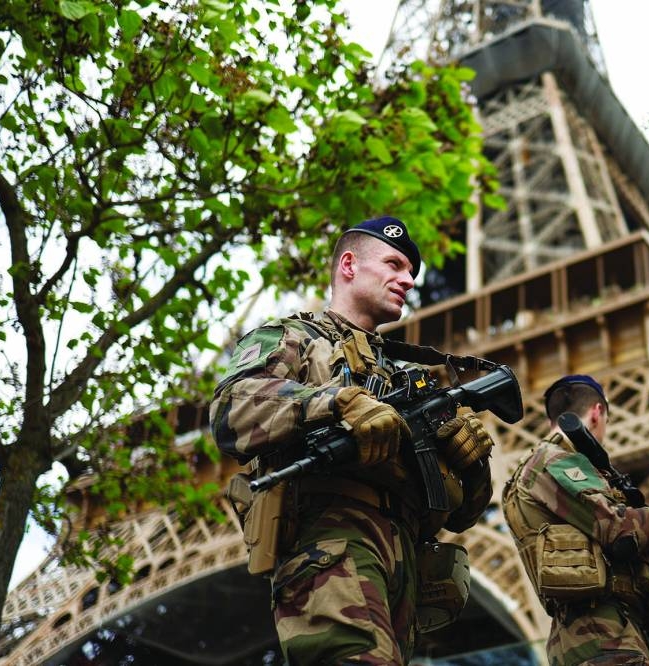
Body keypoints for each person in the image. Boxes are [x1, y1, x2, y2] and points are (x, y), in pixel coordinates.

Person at [209, 216, 496, 665]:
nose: (408, 281)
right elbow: (231, 410)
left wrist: (472, 460)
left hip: (403, 569)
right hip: (333, 548)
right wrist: (335, 402)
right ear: (349, 265)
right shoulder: (293, 338)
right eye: (394, 265)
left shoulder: (407, 377)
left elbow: (463, 514)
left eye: (411, 273)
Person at [502, 375, 649, 666]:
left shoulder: (547, 465)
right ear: (597, 412)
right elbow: (618, 529)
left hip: (603, 635)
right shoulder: (554, 459)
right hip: (601, 637)